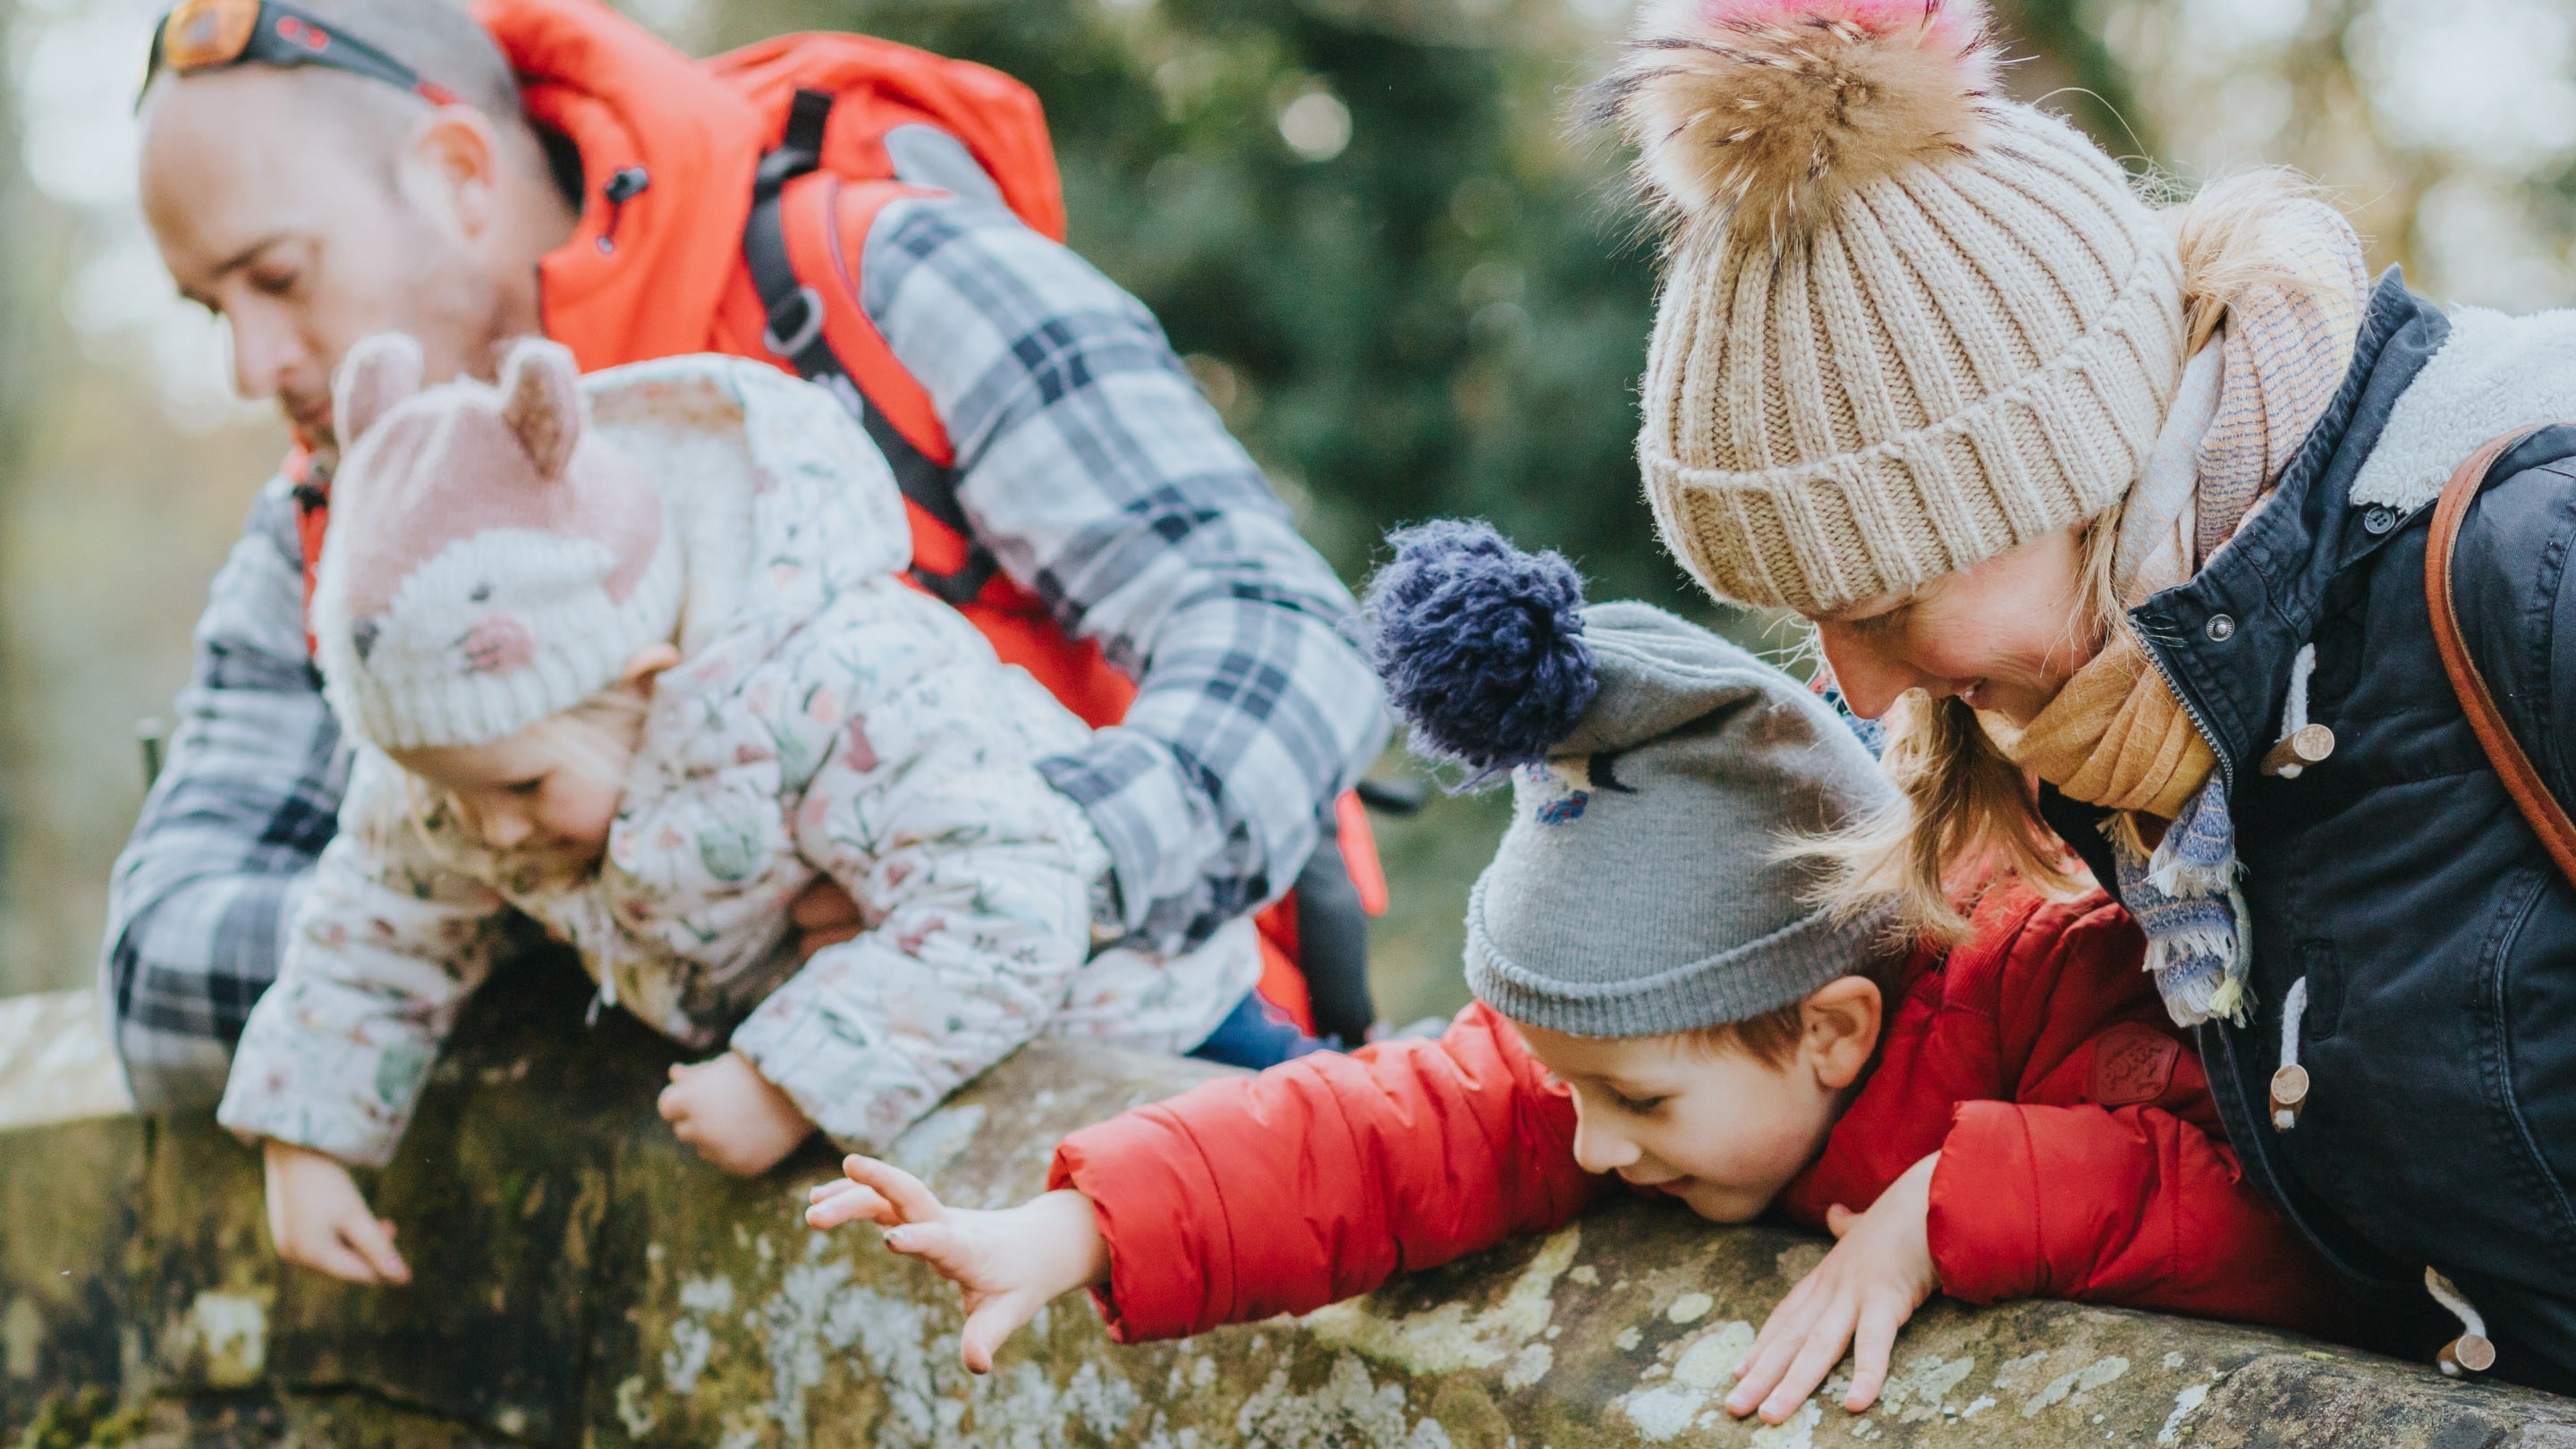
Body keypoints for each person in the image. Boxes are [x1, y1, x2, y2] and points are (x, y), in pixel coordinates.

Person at [106, 0, 1386, 1108]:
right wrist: (618, 913)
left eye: (275, 276)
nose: (250, 367)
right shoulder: (327, 522)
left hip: (1170, 1105)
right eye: (210, 308)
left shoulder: (877, 277)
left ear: (457, 171)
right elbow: (160, 967)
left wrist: (1021, 867)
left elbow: (1283, 632)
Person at [804, 521, 2343, 1425]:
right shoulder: (1639, 1053)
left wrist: (1944, 1209)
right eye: (1572, 1092)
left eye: (1632, 1102)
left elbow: (2274, 1200)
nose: (1591, 1141)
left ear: (1830, 1029)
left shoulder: (2047, 979)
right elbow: (1388, 1125)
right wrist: (1077, 1225)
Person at [1592, 0, 2576, 1388]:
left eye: (1885, 602)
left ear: (2068, 472)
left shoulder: (2527, 569)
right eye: (1811, 618)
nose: (1854, 681)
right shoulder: (2133, 721)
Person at [219, 333, 1271, 1284]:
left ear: (643, 677)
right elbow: (376, 924)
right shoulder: (463, 771)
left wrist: (786, 1080)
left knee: (1285, 1195)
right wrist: (307, 1137)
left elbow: (1008, 906)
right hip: (944, 1049)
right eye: (441, 793)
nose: (484, 831)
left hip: (1145, 1016)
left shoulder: (837, 684)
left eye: (521, 788)